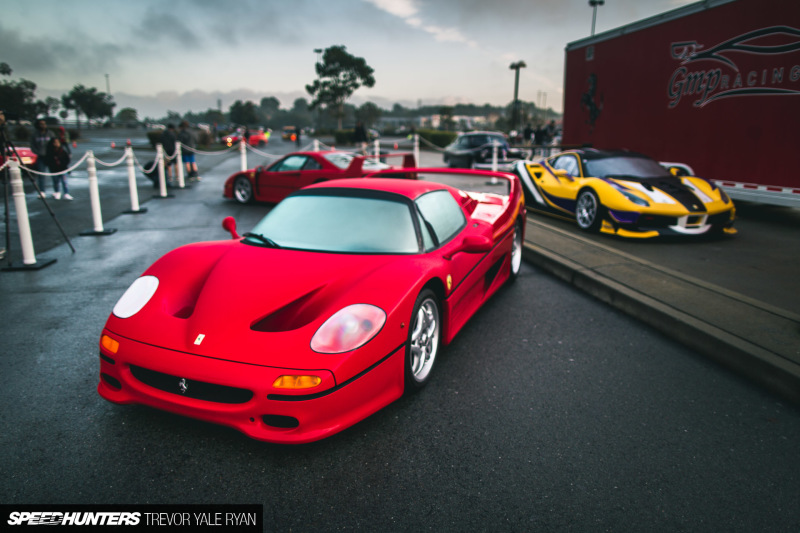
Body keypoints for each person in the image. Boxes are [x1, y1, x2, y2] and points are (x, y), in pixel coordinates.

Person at [30, 119, 52, 197]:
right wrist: (38, 152)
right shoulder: (35, 135)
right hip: (40, 157)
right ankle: (42, 191)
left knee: (54, 173)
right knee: (41, 174)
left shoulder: (50, 134)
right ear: (38, 125)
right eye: (41, 124)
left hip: (50, 157)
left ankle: (57, 191)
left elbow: (55, 143)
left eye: (44, 124)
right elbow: (32, 145)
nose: (43, 125)